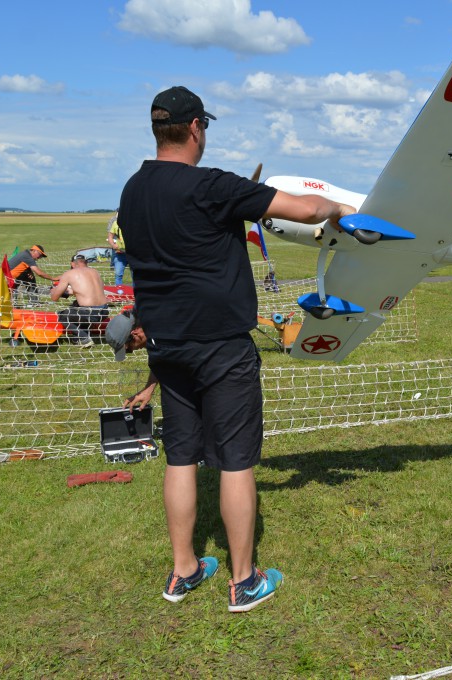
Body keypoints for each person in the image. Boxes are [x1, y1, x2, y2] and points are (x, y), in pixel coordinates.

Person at [118, 85, 355, 611]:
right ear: (197, 127)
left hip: (167, 346)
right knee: (236, 461)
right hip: (221, 346)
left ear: (158, 129)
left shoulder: (132, 191)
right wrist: (339, 206)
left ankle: (184, 570)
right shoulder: (214, 186)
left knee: (181, 456)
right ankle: (244, 580)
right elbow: (306, 209)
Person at [50, 254, 110, 347]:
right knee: (76, 305)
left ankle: (84, 338)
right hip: (104, 311)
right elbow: (89, 291)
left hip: (89, 313)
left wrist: (54, 291)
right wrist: (72, 291)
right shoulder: (95, 272)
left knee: (62, 316)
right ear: (86, 262)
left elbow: (54, 298)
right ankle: (80, 337)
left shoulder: (69, 274)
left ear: (72, 264)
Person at [106, 210, 130, 286]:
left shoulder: (134, 222)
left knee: (135, 275)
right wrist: (113, 245)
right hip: (120, 254)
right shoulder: (114, 223)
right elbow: (110, 237)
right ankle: (119, 292)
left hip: (133, 254)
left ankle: (135, 293)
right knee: (118, 274)